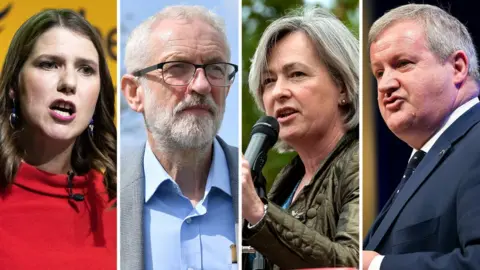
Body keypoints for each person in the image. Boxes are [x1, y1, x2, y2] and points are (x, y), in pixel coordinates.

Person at [120, 5, 239, 270]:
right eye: (177, 68)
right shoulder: (106, 193)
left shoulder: (260, 185)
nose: (201, 85)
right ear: (134, 93)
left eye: (215, 69)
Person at [363, 4, 480, 270]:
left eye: (402, 64)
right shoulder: (428, 158)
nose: (385, 85)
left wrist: (378, 266)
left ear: (458, 67)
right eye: (379, 73)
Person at [242, 7, 359, 269]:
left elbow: (354, 261)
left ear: (342, 85)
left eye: (296, 74)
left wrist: (258, 213)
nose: (278, 92)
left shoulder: (361, 161)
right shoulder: (287, 181)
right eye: (269, 81)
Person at [0, 9, 117, 269]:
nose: (68, 82)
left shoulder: (119, 202)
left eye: (86, 69)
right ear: (13, 87)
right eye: (49, 64)